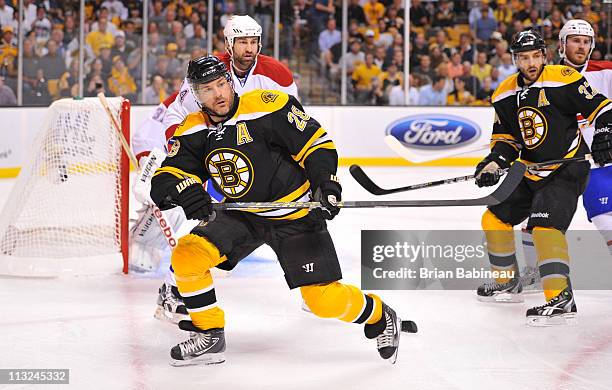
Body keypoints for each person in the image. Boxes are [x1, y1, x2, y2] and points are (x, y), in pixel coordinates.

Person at [150, 55, 414, 366]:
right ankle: (210, 334)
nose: (218, 94)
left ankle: (380, 315)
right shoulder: (193, 129)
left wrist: (325, 185)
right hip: (242, 214)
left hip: (295, 214)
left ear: (230, 82)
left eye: (222, 84)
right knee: (188, 254)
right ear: (196, 95)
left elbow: (317, 144)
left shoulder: (268, 104)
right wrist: (184, 189)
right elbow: (164, 178)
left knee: (322, 300)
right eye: (208, 89)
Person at [130, 15, 299, 323]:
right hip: (219, 157)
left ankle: (314, 282)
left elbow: (293, 120)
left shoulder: (277, 74)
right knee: (211, 223)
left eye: (253, 42)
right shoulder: (209, 73)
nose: (248, 49)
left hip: (256, 160)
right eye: (241, 42)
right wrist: (188, 159)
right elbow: (176, 117)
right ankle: (172, 289)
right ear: (228, 43)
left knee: (292, 218)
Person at [474, 29, 611, 326]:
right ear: (515, 59)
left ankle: (561, 298)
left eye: (536, 55)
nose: (531, 62)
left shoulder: (563, 77)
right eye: (524, 58)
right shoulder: (505, 93)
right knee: (493, 219)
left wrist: (604, 133)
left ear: (545, 55)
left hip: (567, 168)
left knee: (544, 226)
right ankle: (507, 281)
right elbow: (506, 140)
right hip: (530, 169)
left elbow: (602, 108)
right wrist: (493, 162)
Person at [519, 20, 612, 291]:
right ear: (562, 44)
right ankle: (536, 272)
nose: (581, 46)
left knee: (605, 217)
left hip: (597, 164)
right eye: (575, 40)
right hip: (558, 165)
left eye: (586, 42)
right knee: (536, 221)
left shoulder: (604, 73)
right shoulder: (544, 75)